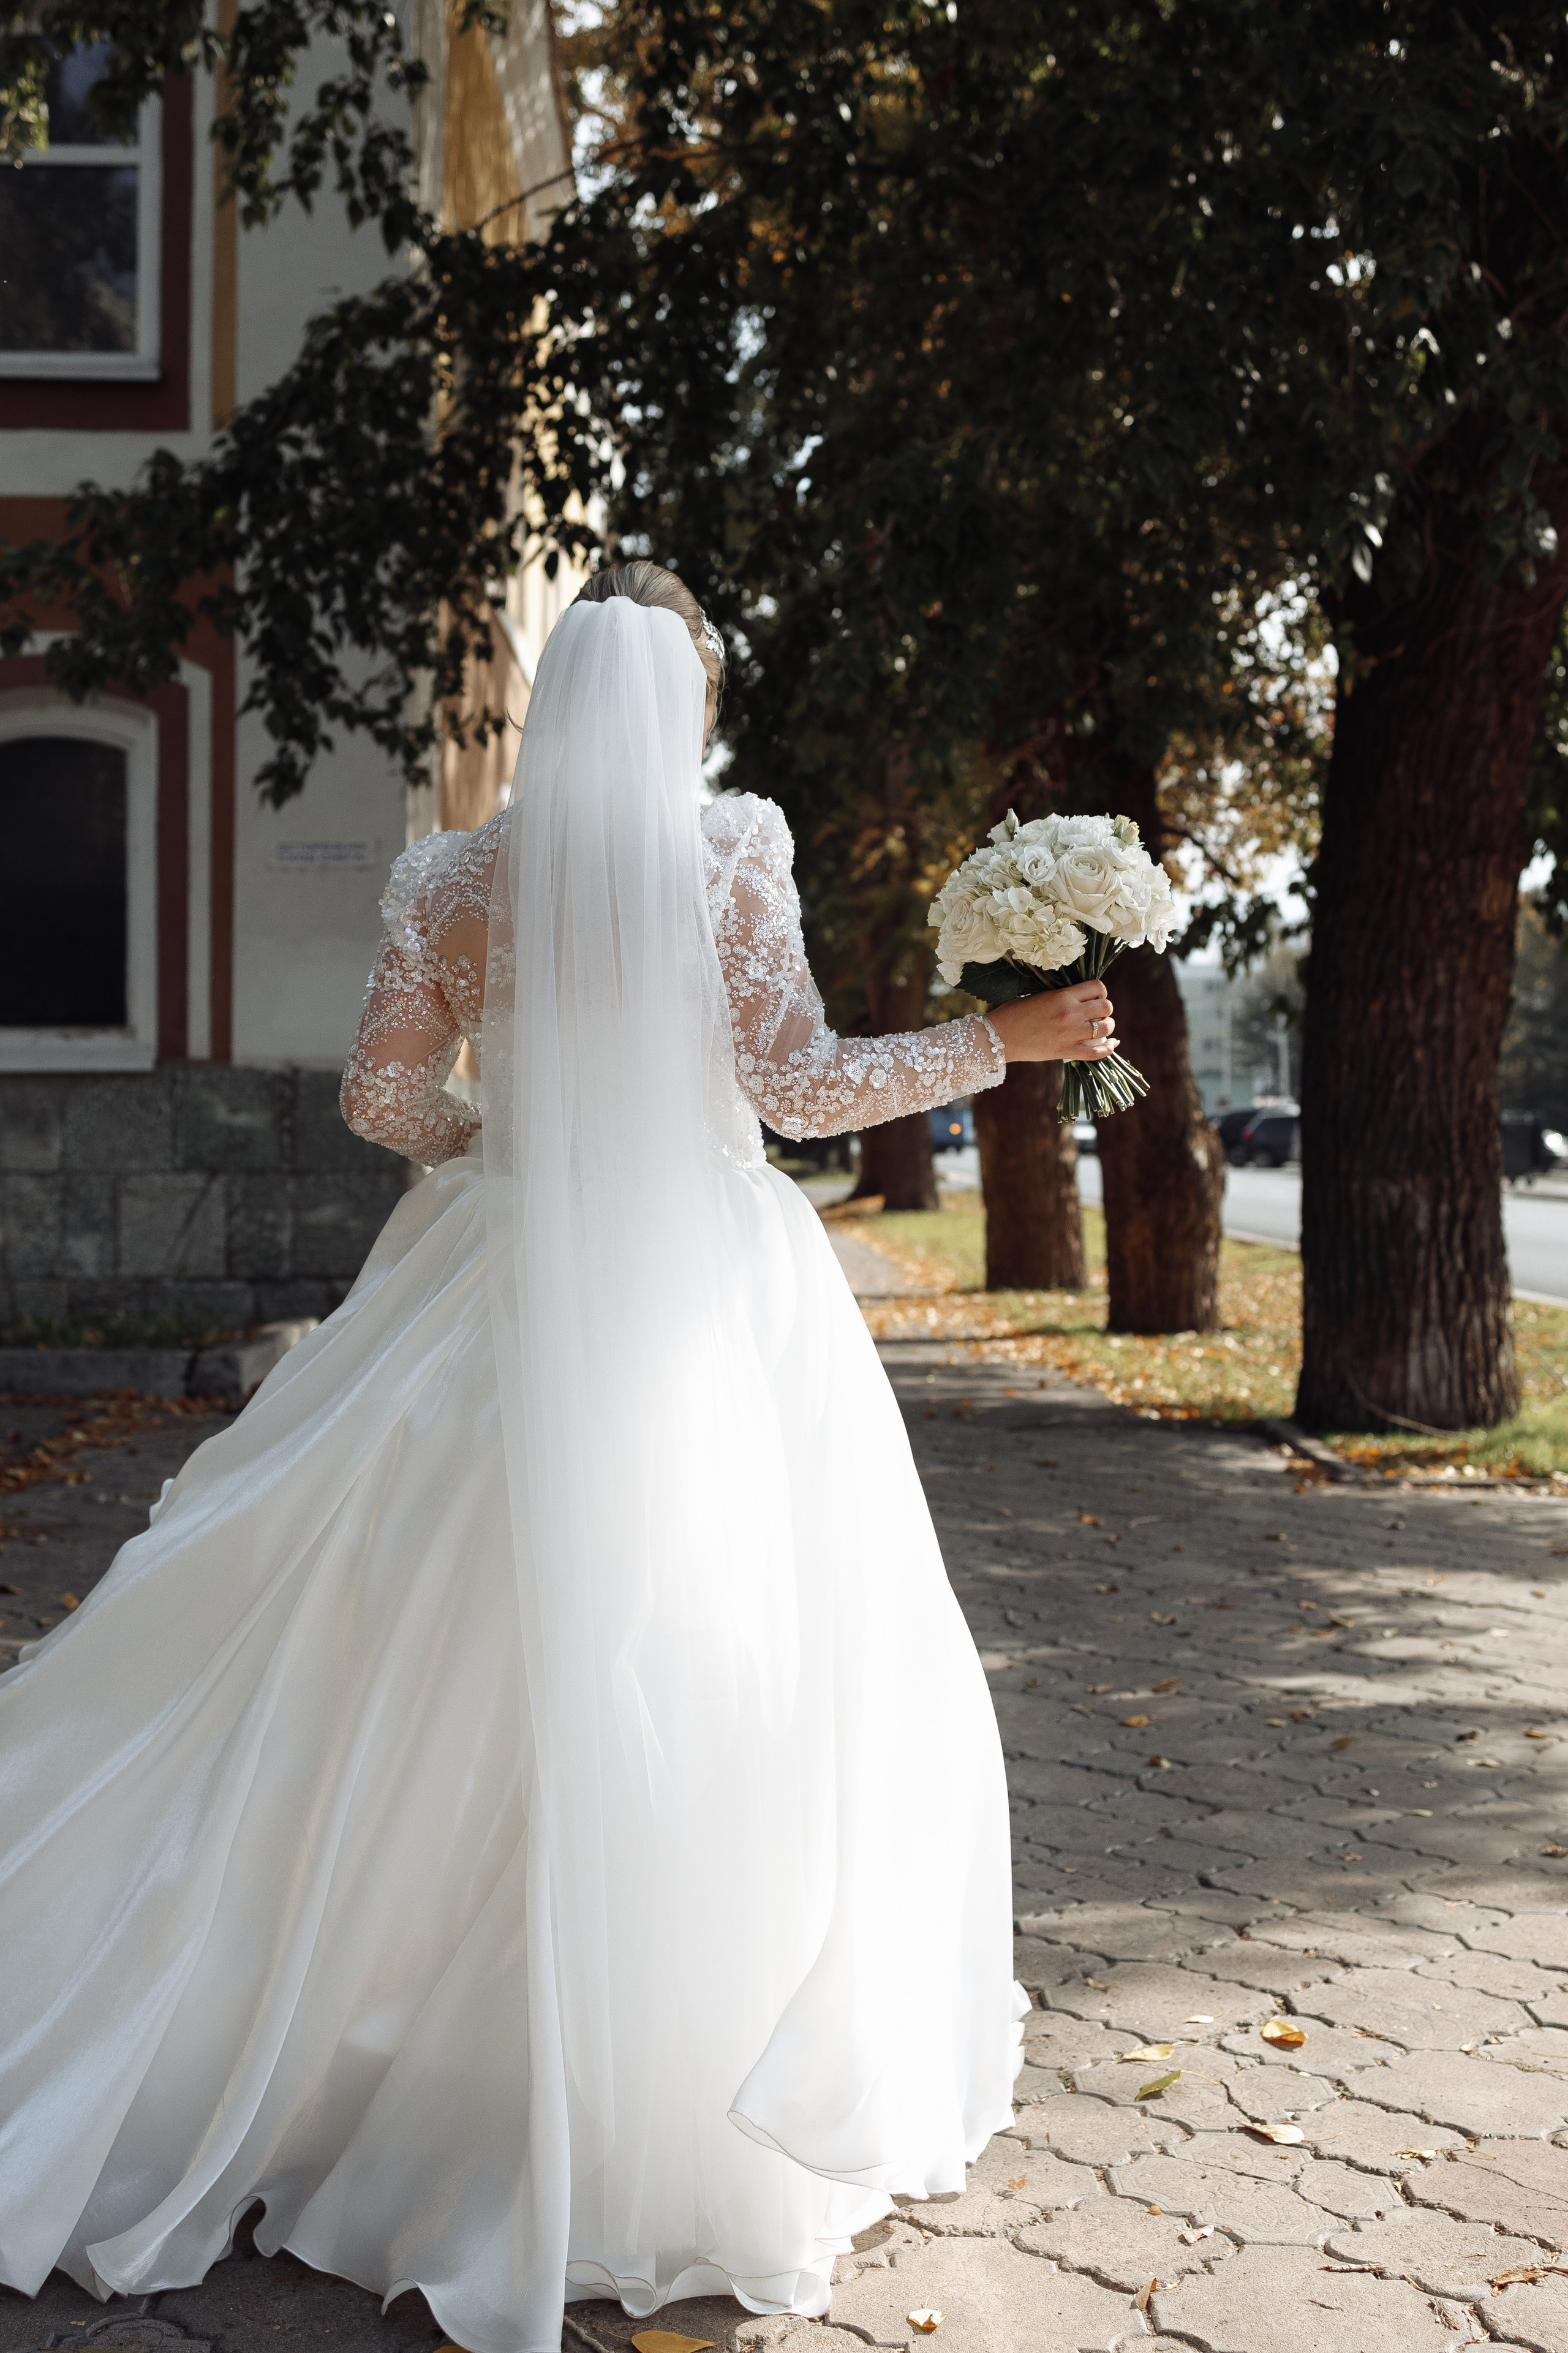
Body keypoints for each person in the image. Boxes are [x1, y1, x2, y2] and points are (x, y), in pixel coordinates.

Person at [0, 564, 1118, 2353]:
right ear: (681, 703)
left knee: (402, 1665)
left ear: (552, 701)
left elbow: (381, 1096)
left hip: (490, 1288)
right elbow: (802, 1087)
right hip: (702, 1295)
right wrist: (1012, 1037)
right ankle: (657, 2100)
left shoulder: (452, 876)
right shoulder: (730, 850)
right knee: (719, 1664)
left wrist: (508, 1145)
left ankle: (352, 2047)